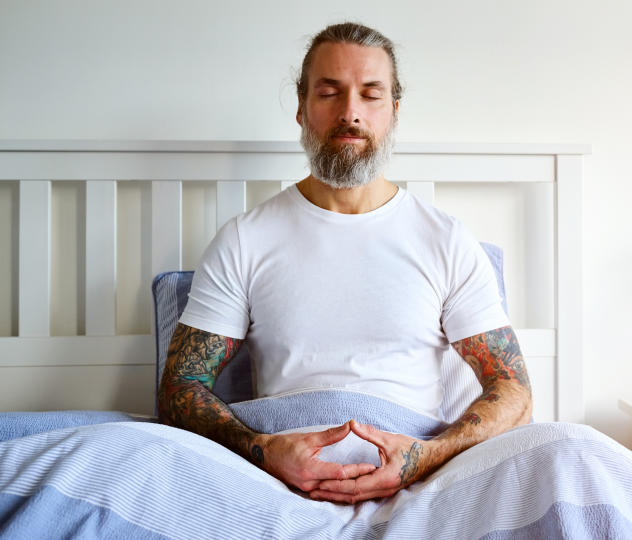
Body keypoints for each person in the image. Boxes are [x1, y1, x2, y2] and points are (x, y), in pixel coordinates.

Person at [158, 22, 532, 505]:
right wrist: (263, 448)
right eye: (329, 92)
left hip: (421, 475)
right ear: (301, 107)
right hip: (276, 479)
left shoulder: (447, 240)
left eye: (370, 95)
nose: (350, 113)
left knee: (577, 449)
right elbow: (180, 387)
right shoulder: (244, 240)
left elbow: (513, 388)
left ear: (394, 111)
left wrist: (428, 454)